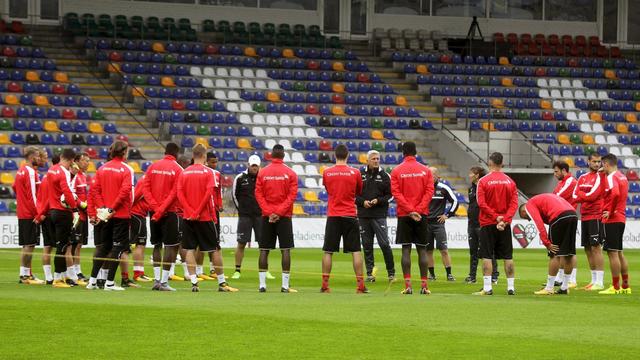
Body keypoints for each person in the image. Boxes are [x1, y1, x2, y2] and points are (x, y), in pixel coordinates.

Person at [86, 140, 134, 291]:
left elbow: (94, 190)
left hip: (105, 215)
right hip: (120, 214)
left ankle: (92, 281)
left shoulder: (102, 168)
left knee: (103, 247)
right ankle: (110, 283)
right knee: (118, 248)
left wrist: (103, 208)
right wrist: (112, 209)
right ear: (124, 152)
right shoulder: (127, 169)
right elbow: (125, 191)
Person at [177, 144, 224, 292]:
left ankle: (193, 281)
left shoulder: (184, 173)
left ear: (193, 156)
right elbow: (209, 194)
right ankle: (222, 283)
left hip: (188, 217)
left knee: (189, 249)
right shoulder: (209, 172)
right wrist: (197, 211)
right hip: (204, 217)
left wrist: (190, 211)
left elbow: (180, 194)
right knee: (214, 249)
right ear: (204, 156)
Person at [321, 145, 367, 293]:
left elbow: (328, 190)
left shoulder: (327, 172)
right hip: (349, 214)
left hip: (333, 214)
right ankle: (360, 285)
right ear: (348, 155)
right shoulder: (355, 172)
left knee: (328, 251)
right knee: (356, 251)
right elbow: (358, 192)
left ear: (335, 155)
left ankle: (325, 285)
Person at [390, 141, 434, 295]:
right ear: (416, 153)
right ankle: (424, 286)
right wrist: (419, 211)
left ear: (403, 153)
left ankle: (408, 286)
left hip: (404, 215)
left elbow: (396, 194)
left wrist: (409, 210)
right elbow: (429, 192)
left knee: (406, 250)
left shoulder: (396, 171)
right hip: (421, 215)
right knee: (422, 250)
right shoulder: (426, 171)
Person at [473, 152, 518, 296]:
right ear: (501, 163)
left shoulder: (483, 181)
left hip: (488, 223)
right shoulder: (510, 181)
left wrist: (496, 217)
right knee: (508, 256)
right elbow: (514, 204)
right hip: (504, 224)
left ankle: (487, 287)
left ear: (490, 162)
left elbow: (481, 203)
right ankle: (510, 287)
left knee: (486, 255)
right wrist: (505, 220)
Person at [254, 144, 298, 293]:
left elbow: (258, 194)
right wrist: (278, 212)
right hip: (284, 216)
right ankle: (285, 286)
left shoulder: (263, 173)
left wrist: (269, 212)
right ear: (283, 155)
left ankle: (262, 285)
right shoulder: (291, 173)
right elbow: (291, 196)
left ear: (271, 155)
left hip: (267, 216)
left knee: (264, 249)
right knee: (285, 250)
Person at [143, 143, 184, 291]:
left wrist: (155, 208)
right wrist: (162, 209)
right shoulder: (178, 169)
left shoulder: (152, 166)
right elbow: (174, 193)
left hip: (154, 212)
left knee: (156, 245)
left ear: (165, 152)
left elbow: (145, 189)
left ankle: (156, 280)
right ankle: (165, 282)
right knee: (170, 246)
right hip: (170, 212)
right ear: (176, 154)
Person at [519, 194, 578, 295]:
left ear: (524, 211)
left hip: (558, 217)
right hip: (573, 215)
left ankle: (549, 288)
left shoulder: (529, 205)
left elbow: (539, 224)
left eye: (526, 217)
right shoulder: (544, 198)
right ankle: (564, 287)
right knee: (569, 253)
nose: (528, 220)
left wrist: (547, 243)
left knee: (554, 253)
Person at [36, 148, 77, 288]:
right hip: (62, 212)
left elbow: (52, 193)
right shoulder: (64, 172)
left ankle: (61, 277)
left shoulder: (51, 170)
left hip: (52, 212)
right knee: (62, 246)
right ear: (72, 160)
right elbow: (66, 191)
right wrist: (75, 208)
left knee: (59, 245)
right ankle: (58, 278)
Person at [356, 150, 395, 283]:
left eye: (378, 159)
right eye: (373, 159)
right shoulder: (359, 174)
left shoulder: (385, 176)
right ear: (367, 160)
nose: (376, 161)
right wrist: (362, 202)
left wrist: (378, 201)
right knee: (367, 245)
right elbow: (353, 194)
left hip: (379, 215)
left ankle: (391, 273)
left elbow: (391, 195)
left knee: (384, 244)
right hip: (364, 215)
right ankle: (370, 274)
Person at [599, 154, 632, 295]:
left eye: (602, 165)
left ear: (606, 164)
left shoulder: (611, 177)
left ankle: (615, 287)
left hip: (613, 218)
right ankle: (625, 286)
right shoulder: (622, 176)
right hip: (621, 217)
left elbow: (615, 194)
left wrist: (610, 212)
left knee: (612, 253)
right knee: (619, 253)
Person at [572, 154, 605, 291]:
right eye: (594, 161)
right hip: (584, 216)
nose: (597, 164)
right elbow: (574, 195)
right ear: (588, 162)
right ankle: (593, 280)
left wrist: (582, 195)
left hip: (596, 215)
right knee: (587, 249)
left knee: (596, 248)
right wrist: (584, 196)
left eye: (599, 162)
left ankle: (600, 281)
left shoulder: (600, 176)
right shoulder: (582, 177)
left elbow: (594, 195)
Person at [13, 146, 45, 284]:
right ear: (32, 157)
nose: (40, 158)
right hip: (29, 213)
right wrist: (38, 213)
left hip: (22, 211)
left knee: (26, 244)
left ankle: (24, 274)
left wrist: (22, 201)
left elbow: (15, 187)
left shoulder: (21, 170)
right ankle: (26, 276)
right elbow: (33, 195)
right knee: (29, 245)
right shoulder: (31, 172)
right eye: (38, 156)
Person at [546, 160, 578, 288]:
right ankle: (560, 278)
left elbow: (555, 197)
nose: (554, 174)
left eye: (556, 171)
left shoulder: (570, 181)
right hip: (560, 218)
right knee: (559, 250)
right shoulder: (562, 183)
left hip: (567, 218)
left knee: (569, 251)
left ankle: (572, 279)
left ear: (564, 170)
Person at [231, 155, 263, 279]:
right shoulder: (240, 178)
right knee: (241, 243)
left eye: (256, 166)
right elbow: (234, 195)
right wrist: (242, 210)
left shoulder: (262, 178)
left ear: (259, 166)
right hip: (245, 216)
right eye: (252, 165)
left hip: (260, 216)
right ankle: (237, 270)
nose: (254, 168)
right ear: (248, 165)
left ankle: (264, 270)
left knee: (263, 244)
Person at [465, 166, 499, 284]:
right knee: (473, 250)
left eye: (471, 173)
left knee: (487, 250)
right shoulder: (470, 189)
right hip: (472, 223)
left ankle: (494, 275)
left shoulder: (485, 187)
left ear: (477, 175)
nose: (469, 175)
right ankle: (472, 276)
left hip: (482, 223)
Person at [425, 167, 458, 282]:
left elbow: (455, 201)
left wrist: (447, 215)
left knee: (443, 250)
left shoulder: (443, 188)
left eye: (431, 175)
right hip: (426, 224)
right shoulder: (423, 187)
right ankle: (432, 275)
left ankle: (449, 274)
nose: (429, 177)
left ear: (437, 176)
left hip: (438, 224)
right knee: (428, 250)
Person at [70, 152, 90, 281]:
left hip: (84, 214)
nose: (87, 163)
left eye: (88, 160)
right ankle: (72, 271)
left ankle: (78, 271)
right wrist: (81, 204)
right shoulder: (75, 176)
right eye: (85, 160)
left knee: (79, 245)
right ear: (77, 161)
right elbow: (71, 193)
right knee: (74, 245)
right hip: (77, 215)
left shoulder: (83, 176)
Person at [131, 174, 152, 282]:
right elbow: (136, 196)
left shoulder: (147, 180)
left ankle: (140, 272)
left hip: (140, 214)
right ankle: (137, 274)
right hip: (137, 214)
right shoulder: (146, 181)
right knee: (139, 244)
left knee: (141, 244)